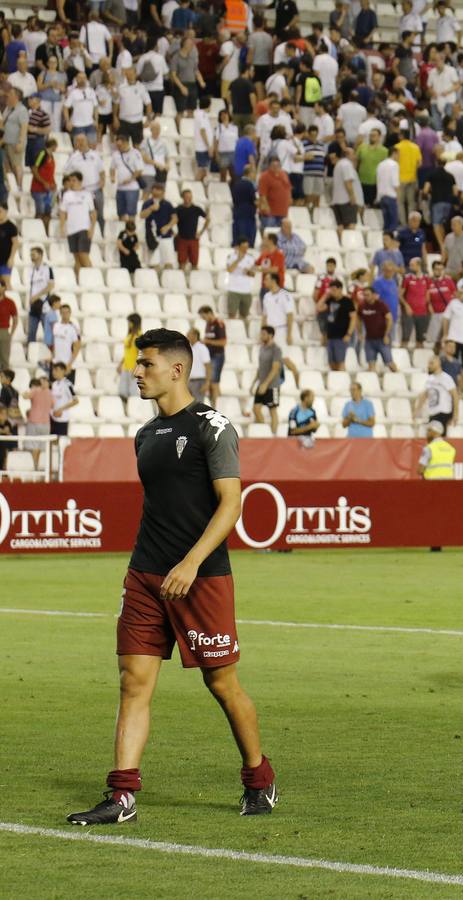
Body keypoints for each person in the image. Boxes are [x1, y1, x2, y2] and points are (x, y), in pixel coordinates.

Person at [66, 329, 276, 825]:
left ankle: (259, 778)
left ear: (177, 369)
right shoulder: (146, 434)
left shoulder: (213, 426)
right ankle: (121, 797)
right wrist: (155, 565)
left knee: (221, 683)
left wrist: (191, 562)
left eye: (147, 364)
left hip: (201, 578)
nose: (137, 372)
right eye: (138, 364)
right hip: (145, 576)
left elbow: (232, 504)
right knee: (132, 682)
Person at [250, 326, 284, 434]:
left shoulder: (276, 350)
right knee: (256, 409)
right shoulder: (262, 348)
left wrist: (265, 384)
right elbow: (260, 368)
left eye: (264, 334)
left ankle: (273, 436)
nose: (261, 336)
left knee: (272, 411)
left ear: (270, 335)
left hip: (272, 385)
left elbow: (275, 369)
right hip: (261, 383)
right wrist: (254, 383)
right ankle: (264, 432)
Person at [415, 355, 459, 430]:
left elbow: (455, 396)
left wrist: (455, 414)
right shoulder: (430, 379)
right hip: (432, 412)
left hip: (443, 412)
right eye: (428, 363)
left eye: (431, 363)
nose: (429, 366)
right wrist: (417, 410)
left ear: (438, 363)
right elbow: (425, 394)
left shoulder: (446, 378)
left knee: (437, 437)